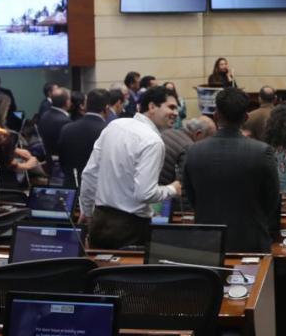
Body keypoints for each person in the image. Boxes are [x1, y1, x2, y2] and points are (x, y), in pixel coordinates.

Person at [80, 85, 183, 249]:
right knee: (127, 274)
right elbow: (145, 193)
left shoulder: (114, 126)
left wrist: (87, 212)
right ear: (151, 107)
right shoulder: (153, 141)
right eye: (171, 107)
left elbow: (89, 174)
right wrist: (172, 189)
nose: (176, 113)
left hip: (99, 220)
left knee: (98, 272)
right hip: (130, 229)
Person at [183, 87, 281, 253]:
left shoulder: (194, 151)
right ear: (246, 117)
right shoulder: (262, 152)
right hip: (250, 241)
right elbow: (272, 200)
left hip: (208, 242)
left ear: (216, 116)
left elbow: (191, 197)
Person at [0, 94, 41, 179]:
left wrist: (15, 150)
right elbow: (9, 164)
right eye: (7, 107)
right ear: (2, 109)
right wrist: (28, 165)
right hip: (5, 178)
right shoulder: (1, 133)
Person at [58, 90, 107, 187]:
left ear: (85, 106)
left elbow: (62, 160)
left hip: (71, 184)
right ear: (106, 109)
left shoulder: (66, 128)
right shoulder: (107, 131)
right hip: (97, 187)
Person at [37, 87, 71, 161]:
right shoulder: (64, 121)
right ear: (67, 102)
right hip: (61, 162)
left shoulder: (45, 115)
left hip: (48, 158)